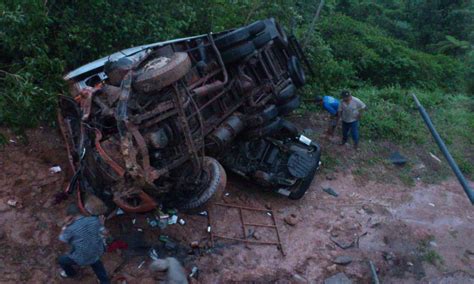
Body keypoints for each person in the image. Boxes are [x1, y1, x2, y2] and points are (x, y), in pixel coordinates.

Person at [58, 203, 110, 283]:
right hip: (98, 251)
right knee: (96, 262)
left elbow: (62, 239)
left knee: (61, 260)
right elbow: (105, 233)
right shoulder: (94, 220)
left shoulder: (70, 228)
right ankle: (104, 281)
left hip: (82, 258)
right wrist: (101, 224)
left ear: (71, 216)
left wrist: (65, 226)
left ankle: (70, 273)